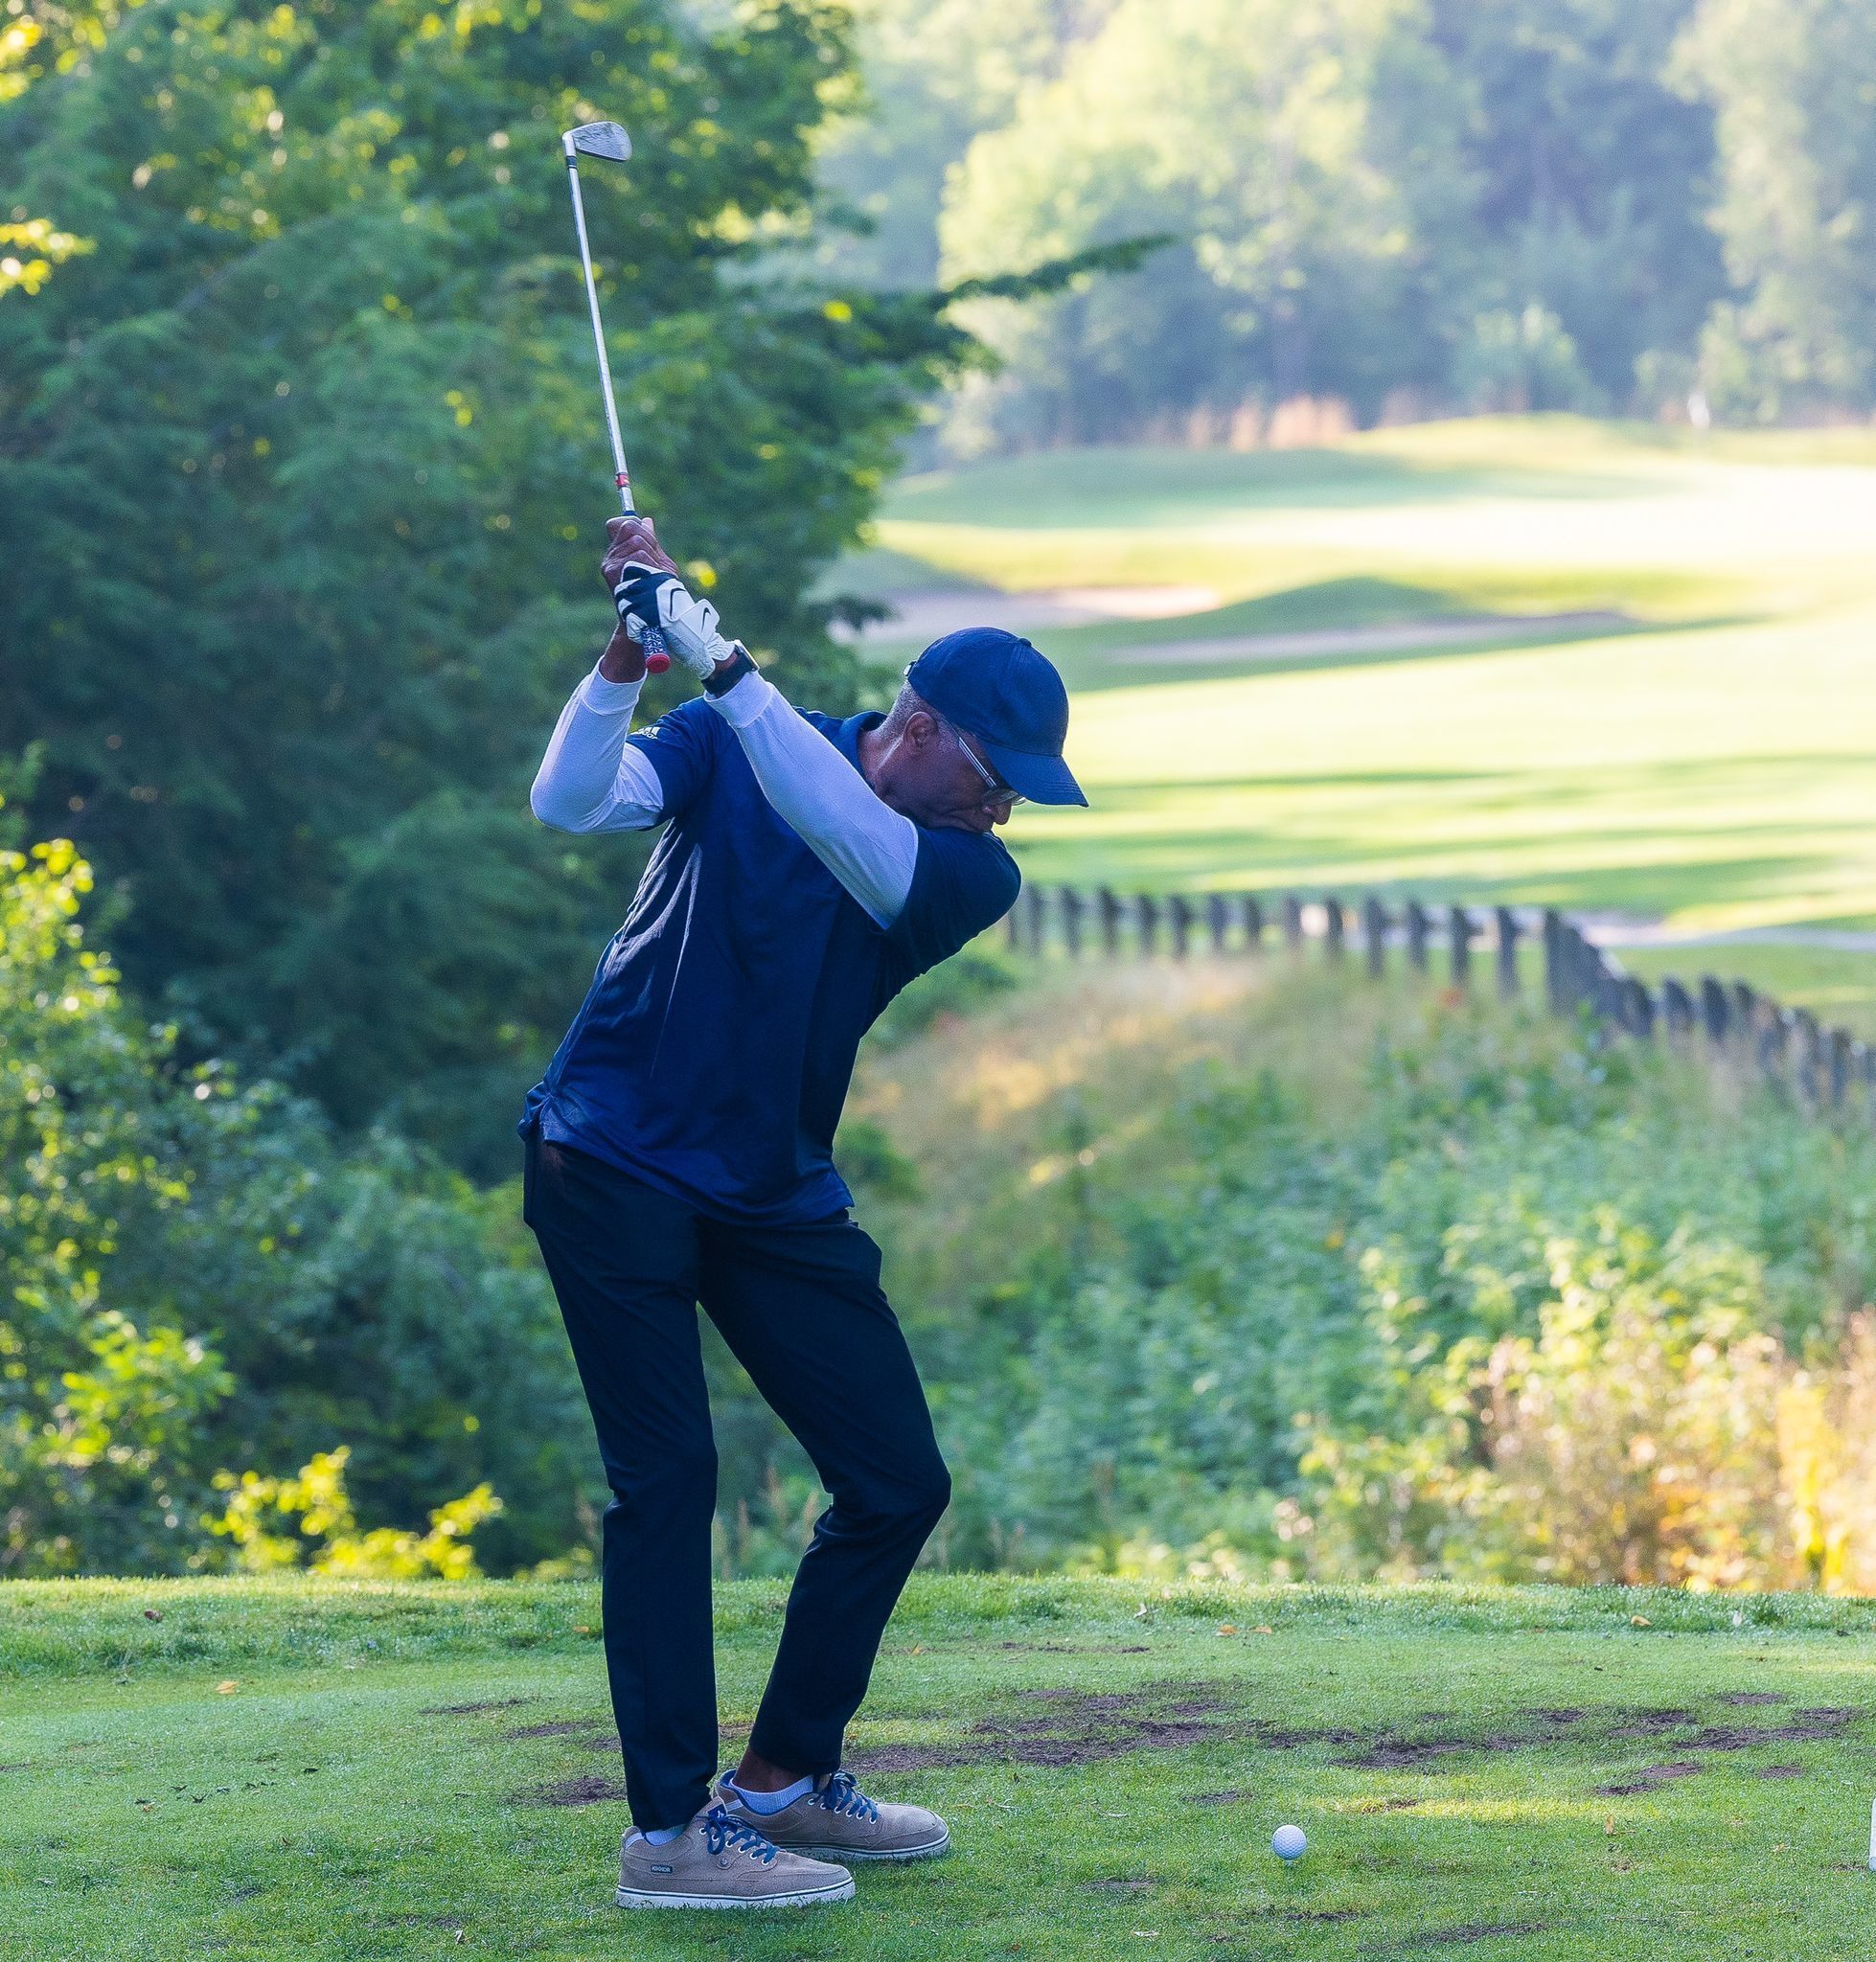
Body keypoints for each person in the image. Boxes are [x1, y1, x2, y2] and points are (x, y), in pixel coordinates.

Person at [520, 514, 1086, 1910]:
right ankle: (671, 1835)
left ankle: (779, 1781)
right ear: (922, 726)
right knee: (669, 1483)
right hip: (610, 1158)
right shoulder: (727, 740)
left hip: (770, 1188)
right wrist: (629, 659)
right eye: (998, 779)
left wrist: (718, 657)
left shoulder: (963, 870)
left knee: (896, 1479)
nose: (1005, 811)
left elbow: (843, 831)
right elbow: (570, 803)